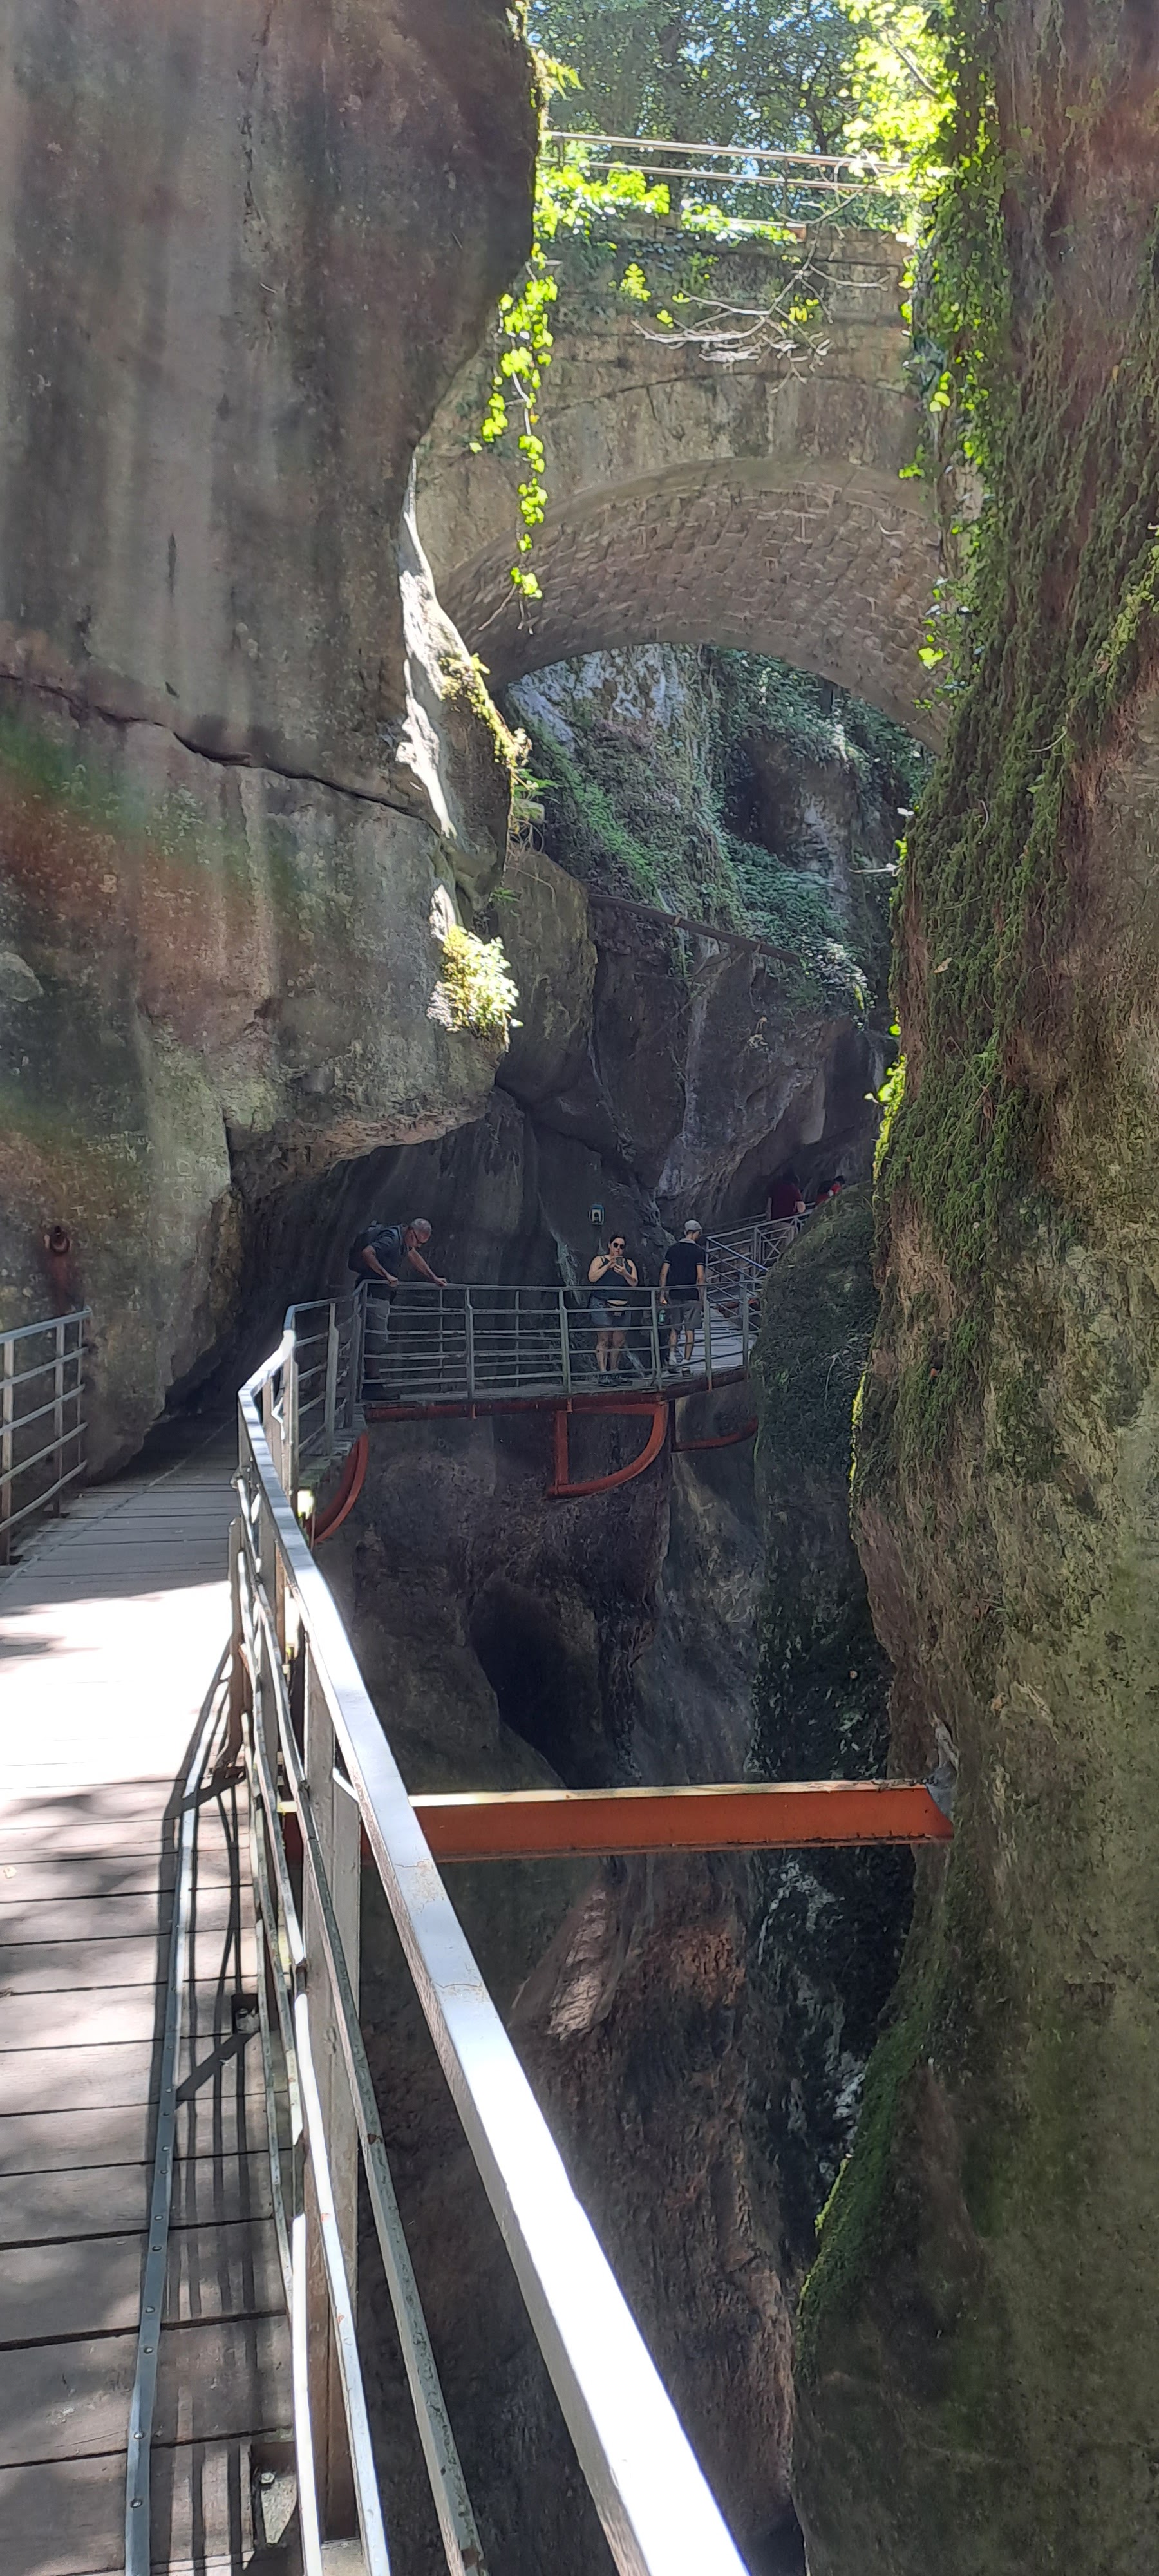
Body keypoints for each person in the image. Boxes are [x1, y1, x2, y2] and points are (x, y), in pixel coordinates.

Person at [348, 1217, 447, 1386]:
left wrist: (433, 1277)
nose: (418, 1246)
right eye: (418, 1242)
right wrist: (386, 1275)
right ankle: (372, 1384)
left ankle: (372, 1383)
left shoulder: (402, 1240)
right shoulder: (392, 1238)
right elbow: (368, 1252)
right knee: (375, 1338)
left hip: (380, 1295)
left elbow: (413, 1255)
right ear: (411, 1233)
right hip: (374, 1294)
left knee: (376, 1337)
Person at [587, 1233, 638, 1377]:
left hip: (623, 1306)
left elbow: (634, 1283)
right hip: (602, 1303)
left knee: (619, 1341)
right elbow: (592, 1278)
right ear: (609, 1245)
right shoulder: (599, 1260)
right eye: (616, 1245)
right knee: (603, 1339)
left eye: (622, 1246)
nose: (618, 1249)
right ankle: (603, 1372)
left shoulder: (629, 1264)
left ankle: (614, 1370)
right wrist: (608, 1265)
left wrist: (625, 1273)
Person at [659, 1220, 705, 1374]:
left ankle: (672, 1357)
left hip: (675, 1293)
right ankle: (686, 1364)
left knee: (675, 1327)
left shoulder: (673, 1249)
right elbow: (700, 1276)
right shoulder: (699, 1251)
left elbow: (664, 1272)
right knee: (690, 1330)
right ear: (696, 1233)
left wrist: (662, 1293)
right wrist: (702, 1298)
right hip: (691, 1295)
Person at [766, 1170, 806, 1255]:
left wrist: (768, 1223)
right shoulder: (794, 1189)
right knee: (789, 1244)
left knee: (773, 1246)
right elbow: (801, 1209)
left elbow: (768, 1207)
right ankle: (786, 1257)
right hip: (788, 1225)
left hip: (774, 1224)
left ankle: (770, 1257)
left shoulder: (774, 1188)